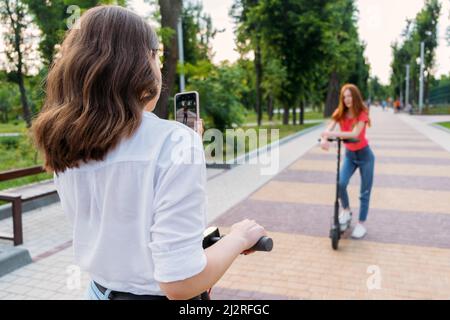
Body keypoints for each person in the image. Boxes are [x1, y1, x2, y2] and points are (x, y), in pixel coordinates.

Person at [31, 5, 266, 300]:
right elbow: (180, 283)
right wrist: (239, 237)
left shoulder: (65, 140)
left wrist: (183, 144)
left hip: (97, 292)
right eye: (154, 55)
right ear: (138, 65)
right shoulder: (171, 143)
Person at [319, 84, 375, 239]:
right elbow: (328, 128)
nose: (347, 99)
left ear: (355, 97)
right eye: (344, 97)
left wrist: (331, 134)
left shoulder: (362, 113)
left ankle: (361, 223)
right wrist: (324, 140)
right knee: (341, 183)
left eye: (349, 96)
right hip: (350, 155)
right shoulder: (340, 113)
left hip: (365, 156)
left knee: (364, 192)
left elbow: (355, 132)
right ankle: (346, 210)